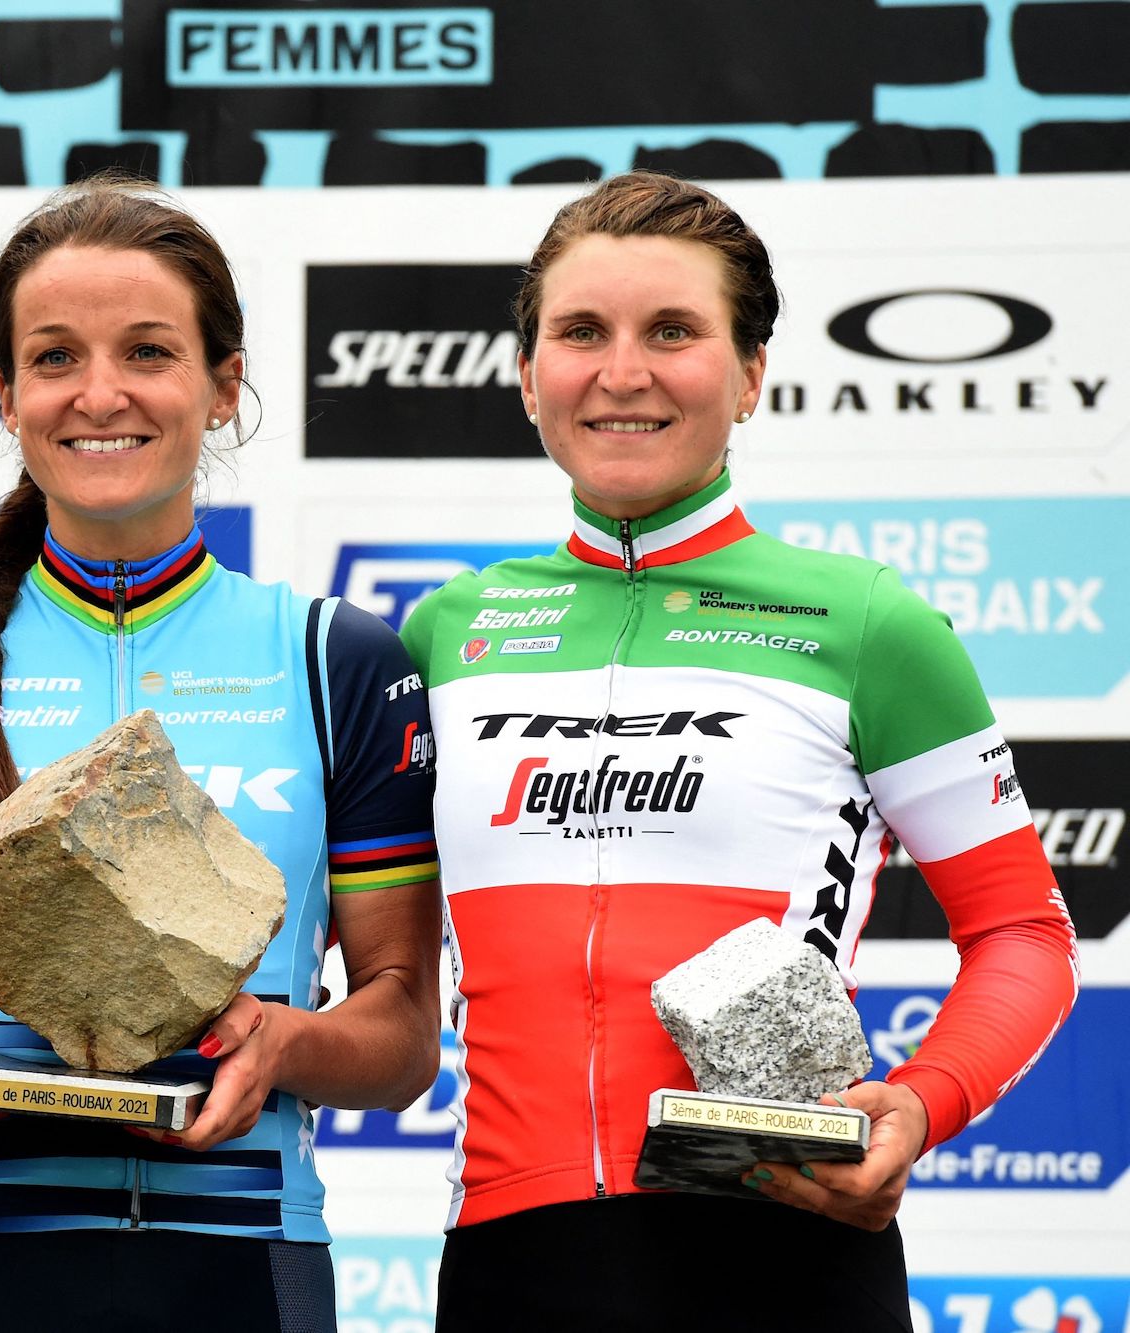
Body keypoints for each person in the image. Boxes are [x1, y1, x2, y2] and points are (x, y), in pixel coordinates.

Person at [401, 171, 1080, 1330]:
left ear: (750, 372)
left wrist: (912, 1107)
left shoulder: (864, 621)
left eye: (672, 331)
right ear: (526, 377)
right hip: (513, 1256)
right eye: (579, 333)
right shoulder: (445, 631)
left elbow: (1025, 933)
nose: (622, 372)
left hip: (784, 1239)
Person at [0, 175, 443, 1332]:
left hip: (249, 1263)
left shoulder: (335, 659)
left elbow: (403, 1030)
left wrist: (287, 1040)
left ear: (222, 383)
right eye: (53, 358)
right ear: (5, 395)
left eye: (147, 351)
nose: (98, 393)